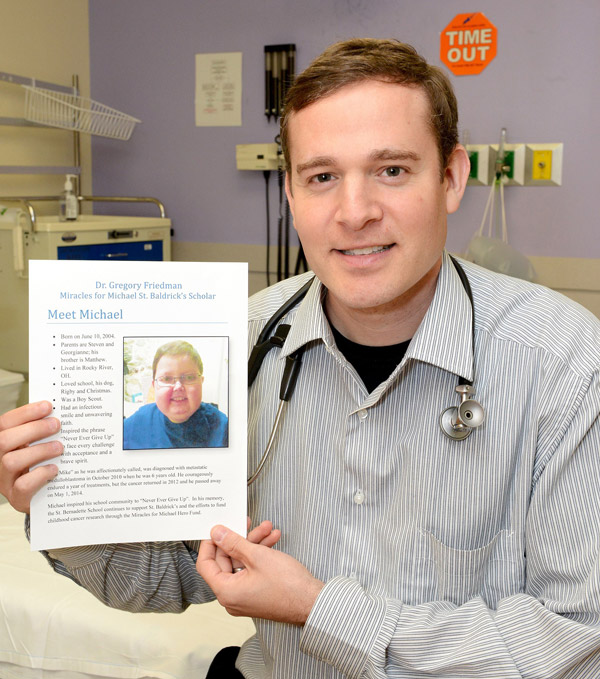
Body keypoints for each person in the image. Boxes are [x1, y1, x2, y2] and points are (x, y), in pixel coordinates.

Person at [1, 38, 600, 678]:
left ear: (451, 178)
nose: (355, 213)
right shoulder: (243, 342)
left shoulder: (562, 361)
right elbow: (164, 574)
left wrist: (318, 609)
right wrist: (58, 505)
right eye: (322, 177)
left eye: (392, 170)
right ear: (290, 194)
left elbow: (572, 639)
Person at [123, 340, 228, 449]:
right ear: (154, 386)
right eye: (167, 378)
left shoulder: (222, 427)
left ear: (201, 382)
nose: (178, 387)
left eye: (189, 377)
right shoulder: (136, 423)